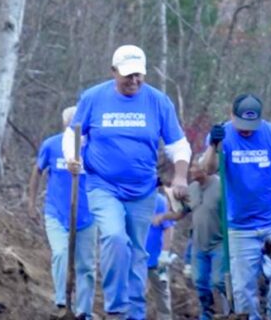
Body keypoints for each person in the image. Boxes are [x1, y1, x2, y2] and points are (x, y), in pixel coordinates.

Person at [64, 44, 192, 320]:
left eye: (138, 75)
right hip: (103, 185)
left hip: (143, 190)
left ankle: (134, 312)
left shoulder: (158, 101)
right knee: (113, 237)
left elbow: (178, 145)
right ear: (113, 72)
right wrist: (73, 156)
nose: (134, 81)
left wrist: (180, 175)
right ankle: (116, 307)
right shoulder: (93, 98)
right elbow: (73, 133)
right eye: (127, 75)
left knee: (138, 252)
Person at [203, 93, 271, 320]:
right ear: (231, 115)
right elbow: (208, 169)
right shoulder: (222, 136)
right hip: (239, 226)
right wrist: (213, 145)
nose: (247, 130)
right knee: (242, 288)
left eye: (251, 126)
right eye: (242, 125)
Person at [28, 106, 97, 320]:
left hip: (87, 216)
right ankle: (61, 301)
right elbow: (37, 172)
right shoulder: (51, 145)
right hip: (56, 213)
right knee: (60, 253)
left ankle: (83, 310)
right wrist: (31, 203)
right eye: (69, 125)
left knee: (86, 264)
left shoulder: (94, 148)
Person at [159, 158, 228, 320]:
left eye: (194, 167)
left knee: (218, 282)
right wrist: (163, 216)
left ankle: (228, 312)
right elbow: (181, 212)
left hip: (219, 243)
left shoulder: (220, 187)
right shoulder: (192, 189)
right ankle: (207, 314)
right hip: (199, 244)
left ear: (204, 168)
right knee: (200, 282)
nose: (190, 171)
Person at [146, 188, 176, 320]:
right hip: (137, 259)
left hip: (156, 259)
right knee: (134, 295)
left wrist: (164, 253)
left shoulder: (160, 201)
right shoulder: (132, 199)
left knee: (162, 297)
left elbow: (168, 228)